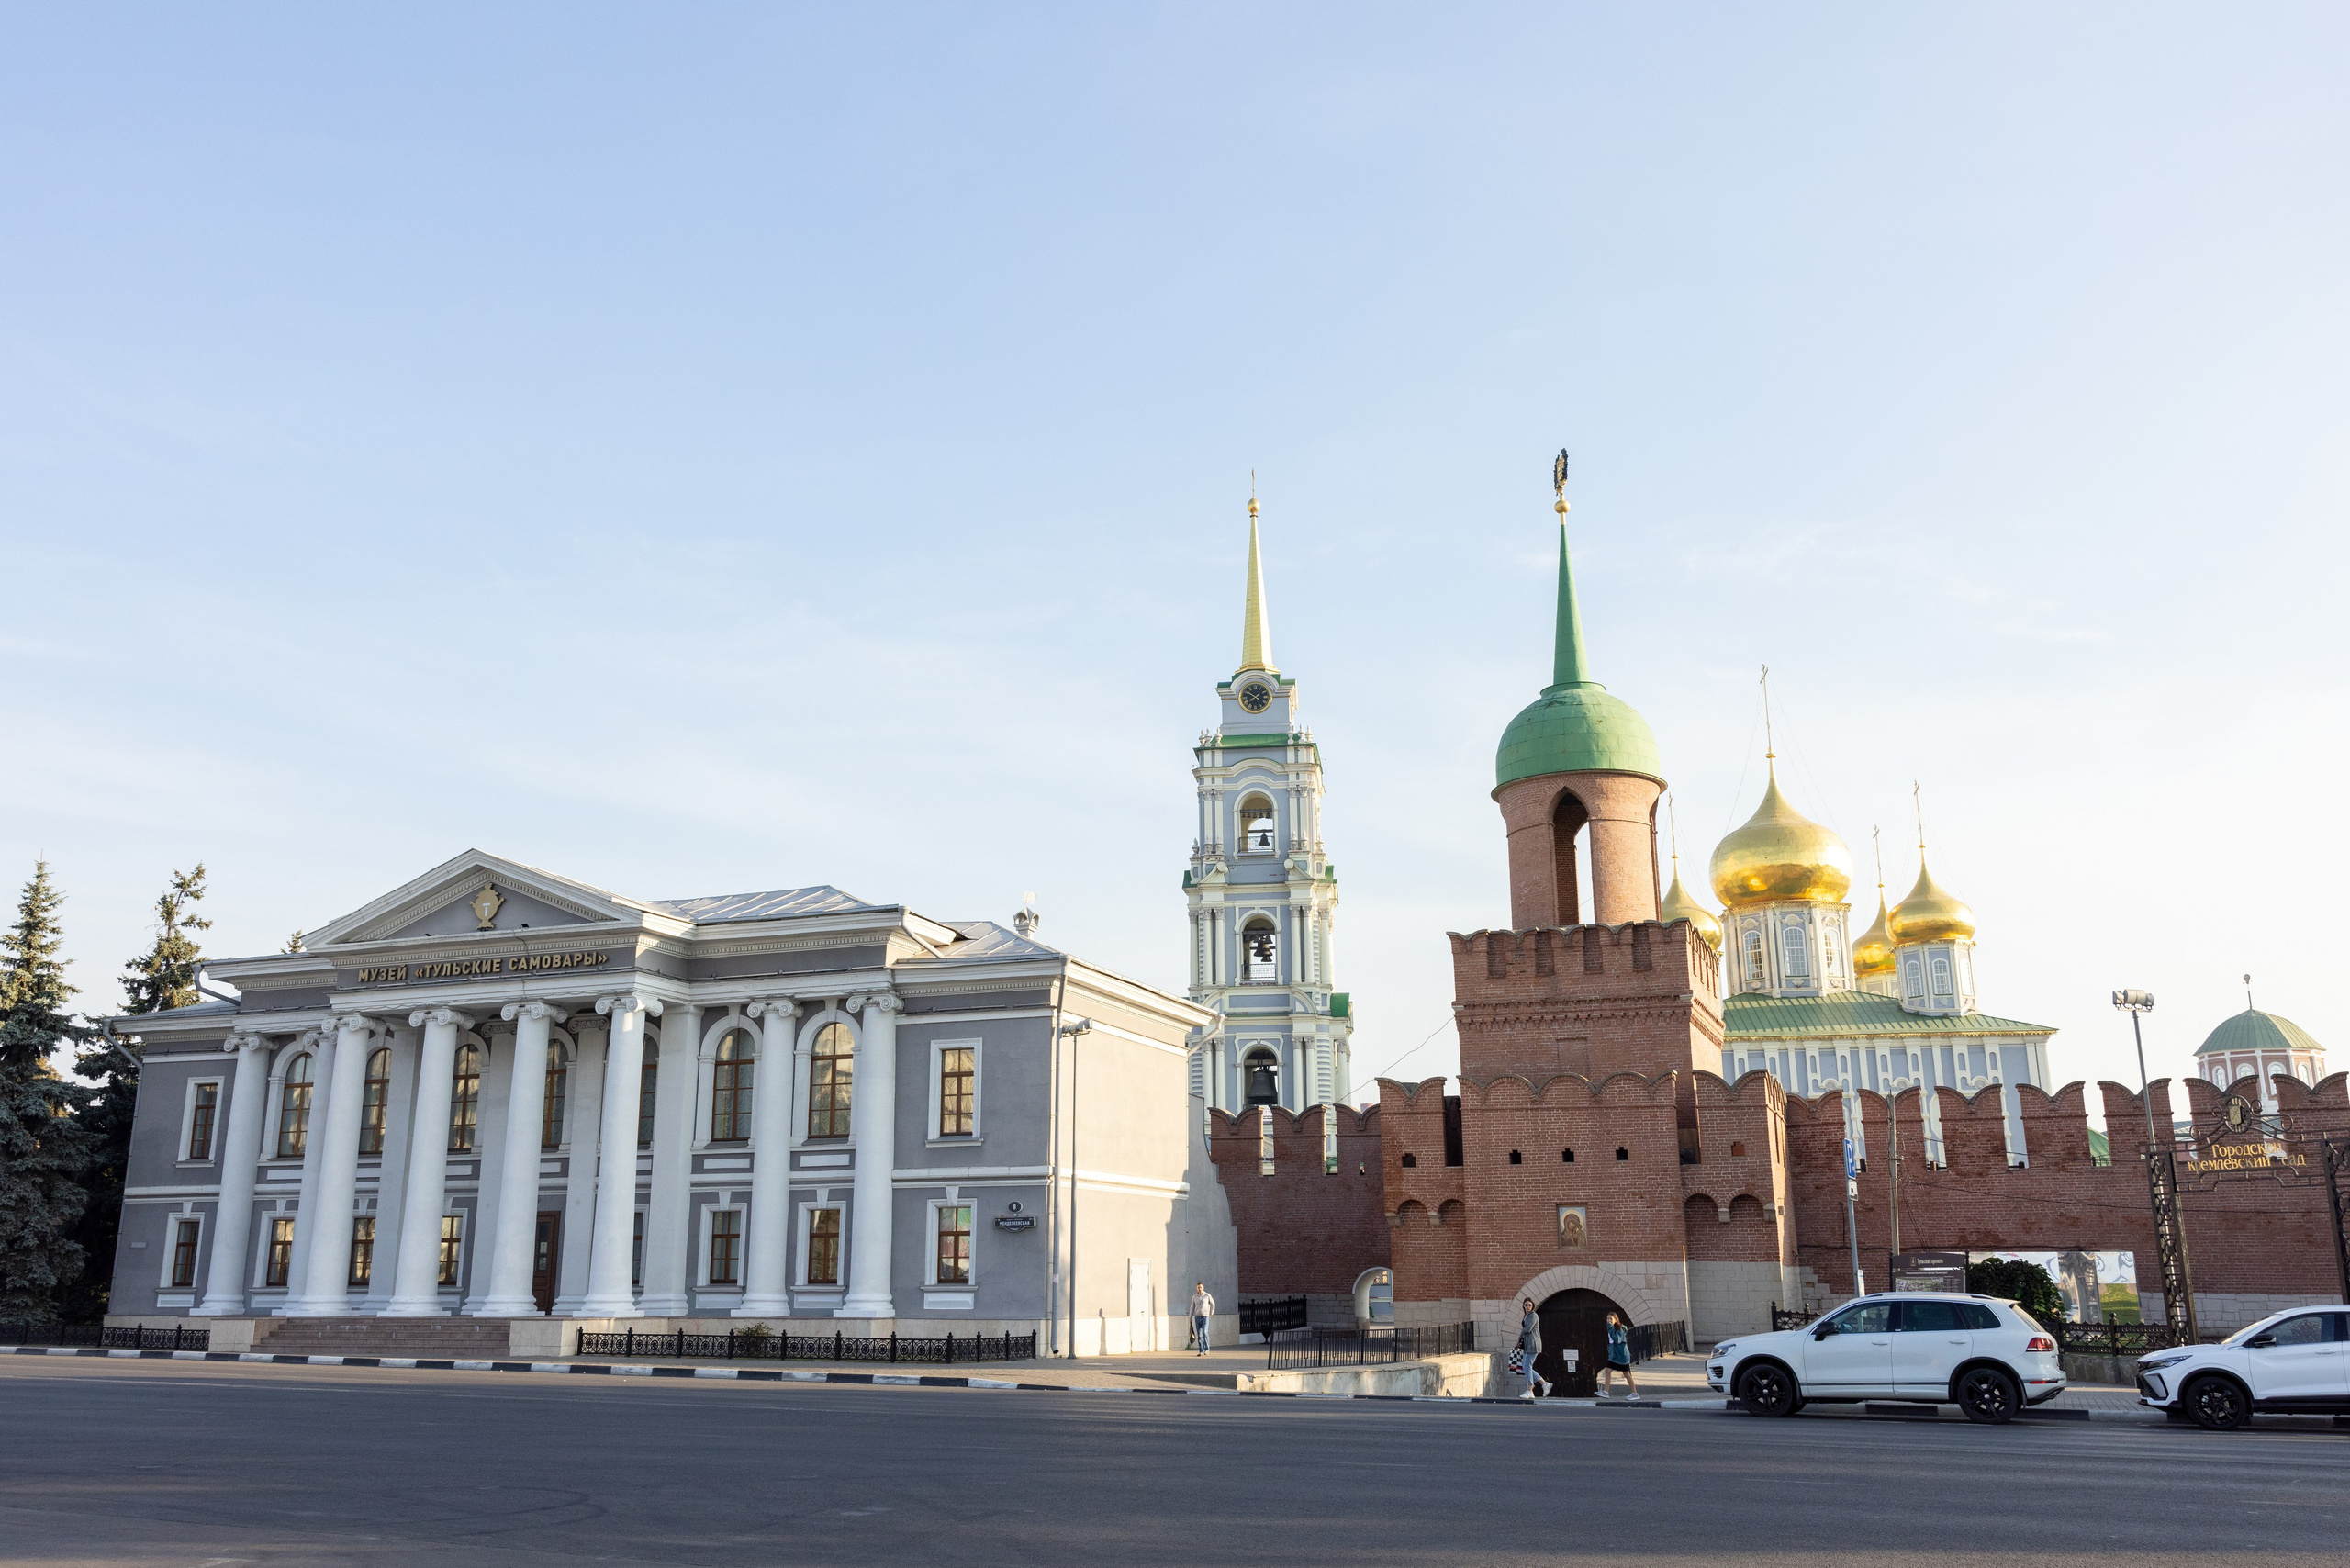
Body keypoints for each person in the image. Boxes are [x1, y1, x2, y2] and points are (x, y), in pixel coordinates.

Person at [1596, 1311, 1639, 1399]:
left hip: (1621, 1356)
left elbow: (1616, 1340)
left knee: (1626, 1374)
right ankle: (1606, 1392)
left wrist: (1610, 1328)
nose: (1609, 1321)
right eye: (1607, 1319)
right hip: (1615, 1356)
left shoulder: (1620, 1329)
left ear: (1616, 1319)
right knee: (1608, 1371)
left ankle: (1635, 1394)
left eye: (1611, 1319)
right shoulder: (1612, 1328)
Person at [1516, 1297, 1550, 1399]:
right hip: (1528, 1345)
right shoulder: (1526, 1316)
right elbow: (1524, 1330)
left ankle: (1530, 1390)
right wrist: (1518, 1342)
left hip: (1533, 1344)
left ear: (1533, 1306)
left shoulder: (1534, 1315)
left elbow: (1528, 1329)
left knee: (1527, 1366)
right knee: (1526, 1367)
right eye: (1526, 1305)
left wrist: (1521, 1335)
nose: (1528, 1307)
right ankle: (1544, 1383)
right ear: (1523, 1306)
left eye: (1530, 1305)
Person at [1190, 1282, 1215, 1356]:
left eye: (1200, 1287)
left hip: (1205, 1317)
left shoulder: (1207, 1295)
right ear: (1196, 1288)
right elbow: (1192, 1307)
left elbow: (1213, 1304)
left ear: (1203, 1288)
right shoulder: (1194, 1297)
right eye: (1198, 1287)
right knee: (1200, 1335)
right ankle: (1201, 1350)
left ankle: (1207, 1349)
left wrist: (1211, 1312)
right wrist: (1190, 1317)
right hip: (1197, 1317)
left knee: (1205, 1332)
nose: (1199, 1289)